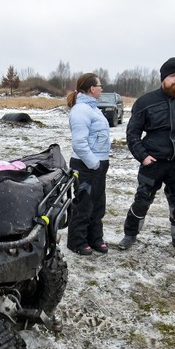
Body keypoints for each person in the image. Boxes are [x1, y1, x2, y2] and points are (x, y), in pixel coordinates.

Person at [117, 57, 175, 256]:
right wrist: (143, 157)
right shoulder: (146, 102)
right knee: (142, 200)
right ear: (163, 78)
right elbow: (132, 133)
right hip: (153, 163)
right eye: (172, 75)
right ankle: (130, 234)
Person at [66, 73, 111, 256]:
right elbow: (79, 144)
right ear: (92, 89)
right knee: (84, 204)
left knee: (98, 205)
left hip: (98, 164)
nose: (101, 88)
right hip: (86, 165)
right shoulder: (81, 110)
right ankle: (77, 241)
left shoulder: (93, 108)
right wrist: (94, 164)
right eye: (99, 85)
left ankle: (95, 238)